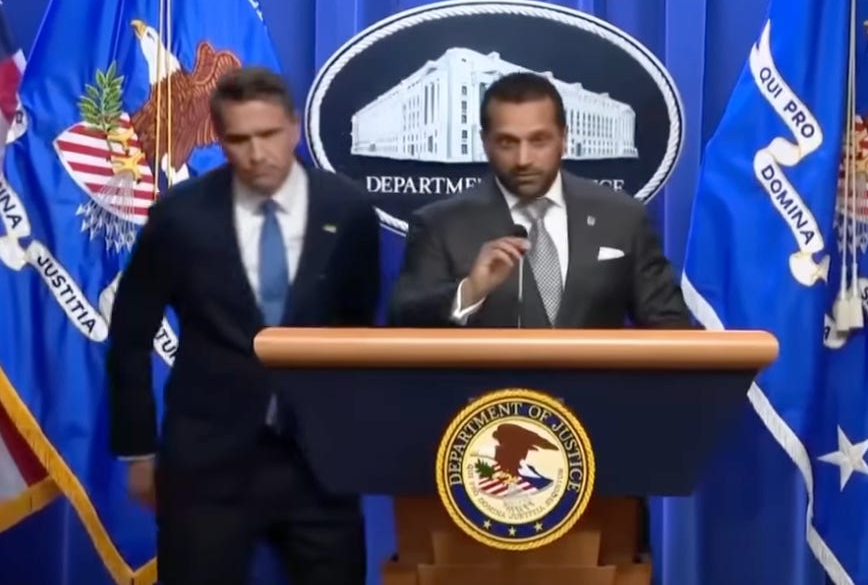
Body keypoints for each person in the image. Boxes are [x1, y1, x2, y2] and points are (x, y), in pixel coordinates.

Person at [105, 67, 378, 585]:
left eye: (269, 134)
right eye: (239, 139)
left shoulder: (348, 209)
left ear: (293, 128)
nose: (257, 154)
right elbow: (130, 337)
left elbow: (359, 331)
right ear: (219, 139)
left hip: (320, 467)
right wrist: (138, 451)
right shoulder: (179, 216)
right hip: (206, 463)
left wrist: (355, 440)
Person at [388, 71, 693, 330]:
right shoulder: (440, 224)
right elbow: (402, 323)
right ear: (485, 142)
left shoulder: (622, 217)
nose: (523, 159)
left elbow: (670, 325)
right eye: (507, 143)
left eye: (538, 141)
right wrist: (469, 292)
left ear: (564, 138)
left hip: (595, 384)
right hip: (489, 385)